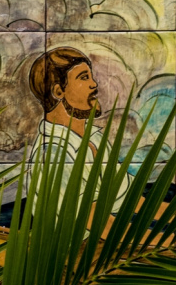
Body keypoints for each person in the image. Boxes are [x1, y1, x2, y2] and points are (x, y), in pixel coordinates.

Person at [27, 45, 128, 217]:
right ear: (58, 91)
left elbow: (131, 198)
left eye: (91, 77)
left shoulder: (96, 139)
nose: (94, 84)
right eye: (84, 78)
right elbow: (90, 218)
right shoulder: (51, 153)